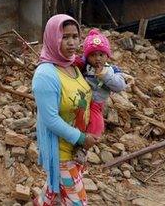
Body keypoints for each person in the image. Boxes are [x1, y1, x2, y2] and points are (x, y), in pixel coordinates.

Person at [32, 14, 98, 206]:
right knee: (78, 202)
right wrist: (81, 138)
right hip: (61, 151)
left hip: (76, 147)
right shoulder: (45, 75)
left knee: (55, 189)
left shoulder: (73, 65)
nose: (71, 43)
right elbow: (50, 119)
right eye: (64, 37)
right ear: (53, 38)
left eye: (75, 36)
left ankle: (41, 202)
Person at [73, 28, 127, 164]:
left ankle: (85, 146)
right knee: (78, 120)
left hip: (97, 104)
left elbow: (120, 86)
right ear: (87, 56)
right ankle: (74, 140)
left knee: (96, 125)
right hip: (82, 100)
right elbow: (73, 62)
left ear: (107, 56)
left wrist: (106, 76)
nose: (97, 58)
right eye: (93, 55)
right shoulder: (85, 66)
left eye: (101, 55)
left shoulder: (112, 70)